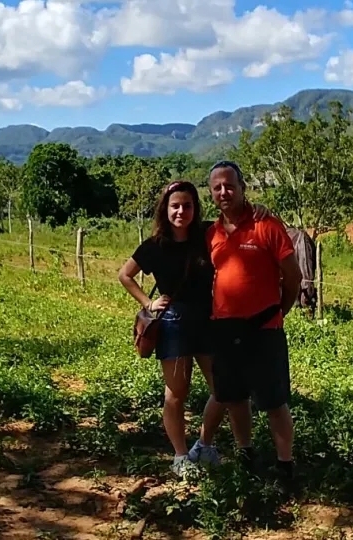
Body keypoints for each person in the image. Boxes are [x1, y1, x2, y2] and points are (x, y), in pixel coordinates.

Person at [118, 180, 271, 476]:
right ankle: (179, 456)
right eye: (175, 206)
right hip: (173, 323)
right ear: (166, 209)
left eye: (187, 206)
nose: (181, 212)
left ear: (195, 208)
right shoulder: (154, 246)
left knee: (223, 389)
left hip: (207, 320)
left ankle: (203, 444)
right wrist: (148, 303)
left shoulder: (205, 234)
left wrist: (257, 210)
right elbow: (125, 275)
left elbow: (234, 221)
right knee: (177, 392)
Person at [205, 160, 303, 494]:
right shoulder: (211, 232)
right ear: (211, 193)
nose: (223, 192)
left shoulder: (267, 225)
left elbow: (293, 278)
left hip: (264, 329)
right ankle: (245, 453)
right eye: (217, 187)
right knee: (234, 398)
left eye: (229, 185)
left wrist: (279, 312)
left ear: (243, 187)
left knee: (274, 402)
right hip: (224, 330)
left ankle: (285, 465)